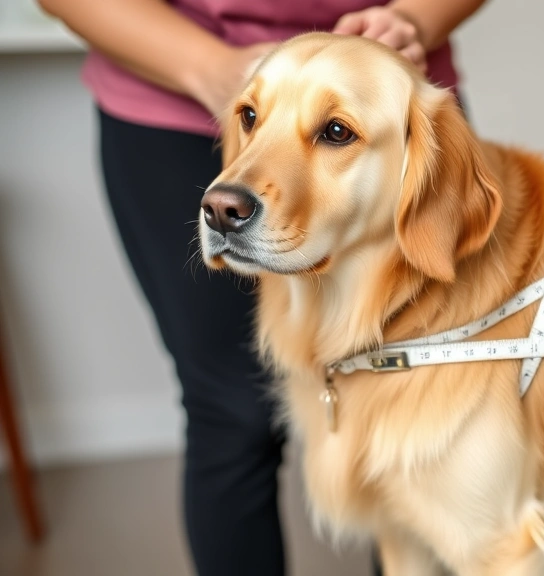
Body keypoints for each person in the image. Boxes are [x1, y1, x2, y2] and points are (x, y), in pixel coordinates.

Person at [35, 1, 486, 575]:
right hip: (175, 94)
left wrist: (414, 20)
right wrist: (212, 70)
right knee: (234, 411)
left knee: (420, 411)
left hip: (387, 103)